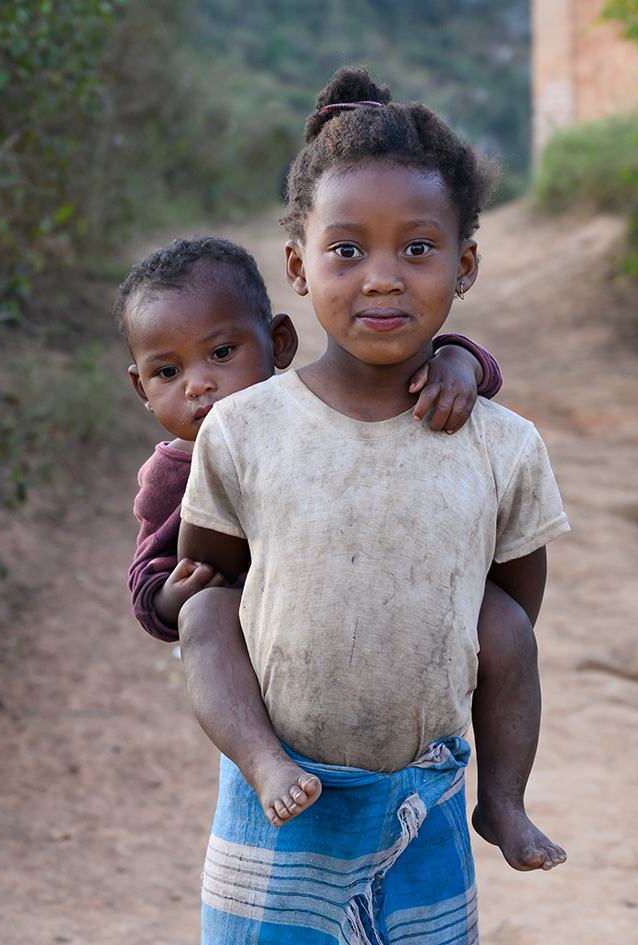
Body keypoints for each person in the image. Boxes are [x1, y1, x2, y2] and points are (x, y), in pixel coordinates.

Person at [178, 66, 570, 942]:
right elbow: (214, 573)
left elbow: (511, 605)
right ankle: (264, 759)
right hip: (279, 805)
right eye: (347, 250)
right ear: (297, 264)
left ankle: (500, 804)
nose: (382, 278)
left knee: (503, 624)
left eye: (417, 249)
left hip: (422, 802)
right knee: (208, 606)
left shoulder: (503, 444)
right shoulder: (245, 428)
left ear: (464, 264)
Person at [118, 236, 504, 831]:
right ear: (142, 389)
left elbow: (385, 374)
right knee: (204, 616)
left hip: (351, 626)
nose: (197, 385)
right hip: (259, 664)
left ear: (277, 344)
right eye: (168, 372)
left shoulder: (305, 416)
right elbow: (147, 587)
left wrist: (461, 360)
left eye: (222, 353)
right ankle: (266, 765)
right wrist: (175, 592)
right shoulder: (169, 475)